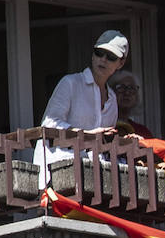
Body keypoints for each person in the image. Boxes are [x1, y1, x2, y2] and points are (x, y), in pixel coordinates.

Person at [34, 29, 128, 184]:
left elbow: (104, 143)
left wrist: (122, 138)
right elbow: (49, 124)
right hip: (59, 173)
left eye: (110, 56)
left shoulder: (112, 99)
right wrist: (86, 134)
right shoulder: (70, 83)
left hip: (91, 178)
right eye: (99, 53)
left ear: (121, 63)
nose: (103, 59)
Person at [112, 70, 154, 139]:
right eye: (121, 87)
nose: (127, 92)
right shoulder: (104, 128)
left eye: (132, 88)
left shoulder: (143, 131)